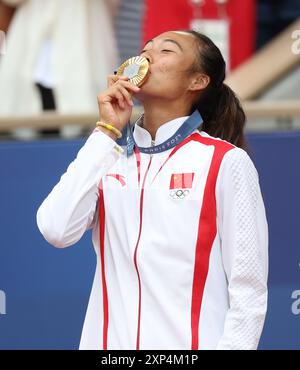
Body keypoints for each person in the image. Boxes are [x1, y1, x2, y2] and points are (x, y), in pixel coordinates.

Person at [36, 30, 269, 350]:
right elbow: (55, 229)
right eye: (144, 49)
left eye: (166, 51)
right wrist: (106, 131)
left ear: (197, 81)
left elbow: (248, 290)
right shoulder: (108, 157)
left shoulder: (225, 161)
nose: (146, 57)